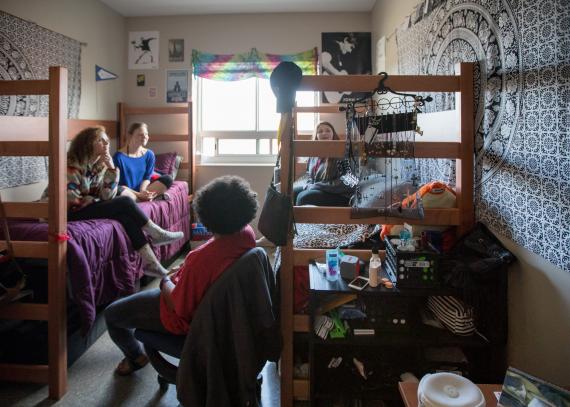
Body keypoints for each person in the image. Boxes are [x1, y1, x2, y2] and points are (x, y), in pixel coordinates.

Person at [104, 175, 258, 376]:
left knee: (112, 315)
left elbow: (179, 306)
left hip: (177, 314)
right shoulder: (245, 233)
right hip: (206, 302)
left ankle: (135, 357)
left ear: (207, 217)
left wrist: (165, 281)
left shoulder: (202, 260)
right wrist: (185, 271)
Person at [67, 126, 183, 278]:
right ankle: (157, 234)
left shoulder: (99, 166)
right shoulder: (72, 165)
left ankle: (151, 263)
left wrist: (110, 168)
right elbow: (72, 201)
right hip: (70, 212)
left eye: (107, 141)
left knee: (125, 217)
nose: (106, 144)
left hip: (86, 206)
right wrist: (95, 199)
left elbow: (107, 196)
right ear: (87, 143)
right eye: (100, 140)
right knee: (125, 202)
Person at [293, 121, 356, 207]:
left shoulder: (341, 153)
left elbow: (347, 181)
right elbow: (309, 175)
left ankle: (299, 220)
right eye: (320, 131)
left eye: (328, 130)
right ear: (316, 136)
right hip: (320, 189)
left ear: (333, 134)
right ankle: (288, 220)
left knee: (303, 197)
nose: (324, 133)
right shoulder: (313, 155)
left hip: (340, 194)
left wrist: (317, 186)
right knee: (292, 193)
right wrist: (308, 184)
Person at [113, 122, 173, 202]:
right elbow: (119, 185)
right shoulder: (118, 157)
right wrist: (139, 195)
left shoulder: (149, 154)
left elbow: (146, 178)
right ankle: (142, 199)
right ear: (130, 136)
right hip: (128, 192)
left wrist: (143, 191)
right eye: (140, 134)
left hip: (143, 189)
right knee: (118, 189)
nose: (145, 137)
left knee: (168, 179)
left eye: (146, 134)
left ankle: (142, 198)